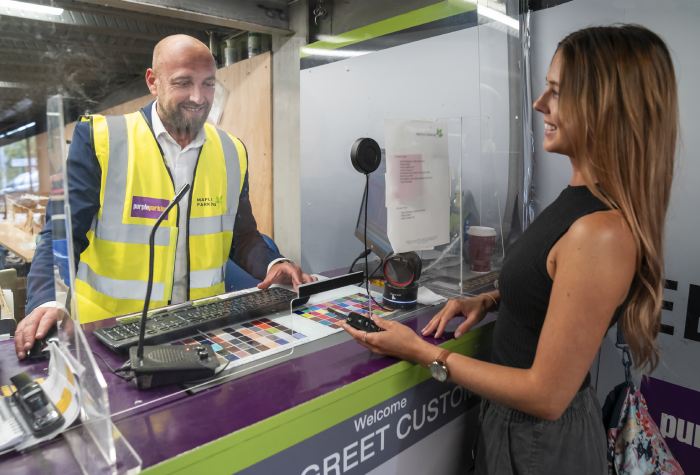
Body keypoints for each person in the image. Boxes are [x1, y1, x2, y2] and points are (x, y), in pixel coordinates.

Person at [343, 24, 678, 474]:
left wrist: (423, 354)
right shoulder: (580, 202)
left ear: (603, 106)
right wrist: (492, 299)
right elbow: (553, 288)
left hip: (541, 446)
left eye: (556, 92)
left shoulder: (600, 232)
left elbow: (546, 395)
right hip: (517, 434)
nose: (541, 104)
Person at [16, 34, 314, 359]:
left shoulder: (232, 152)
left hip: (201, 331)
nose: (198, 97)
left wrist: (274, 262)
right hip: (110, 337)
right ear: (153, 82)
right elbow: (60, 236)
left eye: (209, 84)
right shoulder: (101, 141)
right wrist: (47, 301)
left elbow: (241, 237)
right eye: (183, 82)